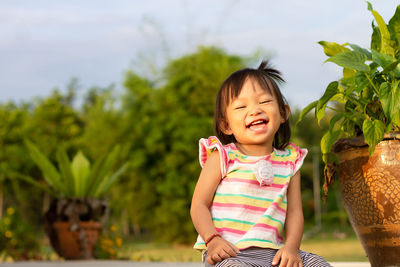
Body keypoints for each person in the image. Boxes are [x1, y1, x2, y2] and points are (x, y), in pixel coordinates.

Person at [190, 61, 331, 267]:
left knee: (318, 264)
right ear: (226, 124)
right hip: (230, 253)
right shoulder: (222, 157)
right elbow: (198, 205)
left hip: (274, 254)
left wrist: (291, 247)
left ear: (283, 113)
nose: (255, 110)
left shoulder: (289, 162)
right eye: (241, 106)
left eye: (264, 102)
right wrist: (212, 240)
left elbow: (294, 212)